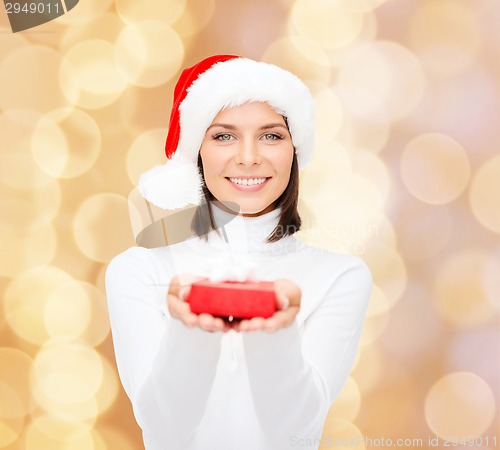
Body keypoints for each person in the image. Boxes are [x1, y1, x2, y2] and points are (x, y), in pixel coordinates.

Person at [105, 54, 372, 450]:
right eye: (223, 136)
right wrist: (192, 328)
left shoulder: (341, 276)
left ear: (294, 149)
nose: (249, 157)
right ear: (197, 150)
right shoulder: (139, 271)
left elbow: (293, 432)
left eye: (271, 135)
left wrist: (275, 331)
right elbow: (164, 429)